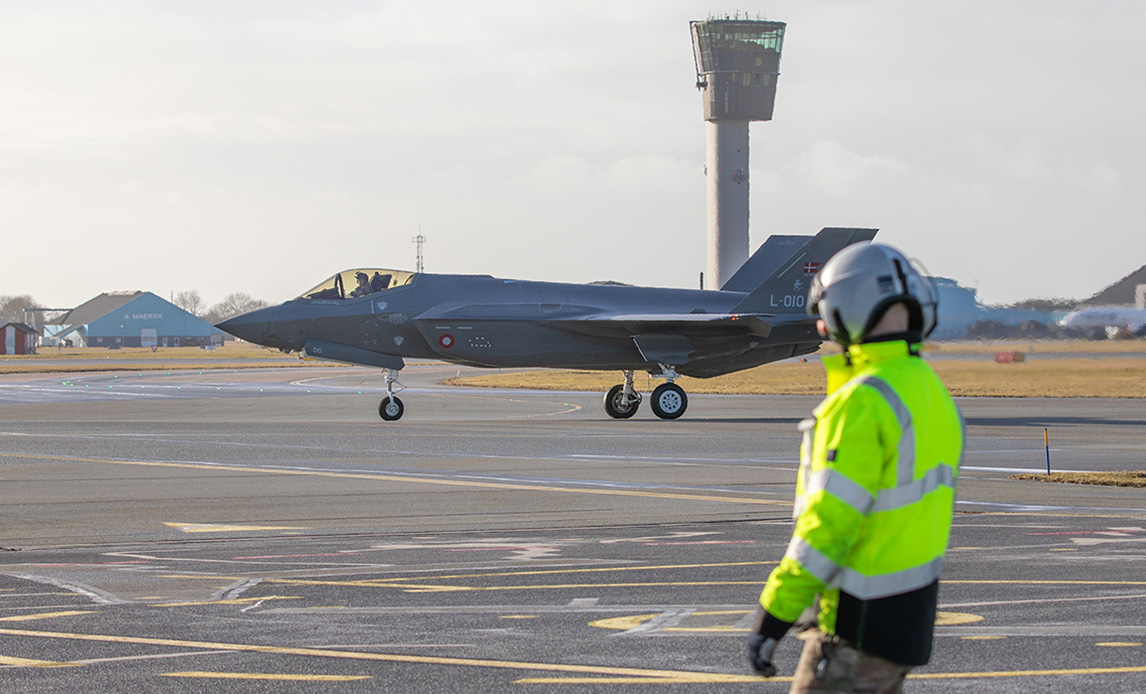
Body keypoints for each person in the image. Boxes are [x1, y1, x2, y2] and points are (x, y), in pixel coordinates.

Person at [747, 243, 964, 693]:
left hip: (855, 626)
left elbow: (828, 527)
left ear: (844, 311)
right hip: (905, 620)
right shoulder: (928, 390)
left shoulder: (863, 403)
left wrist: (774, 615)